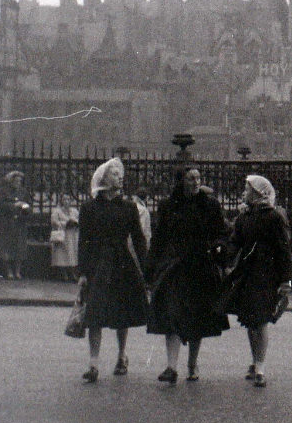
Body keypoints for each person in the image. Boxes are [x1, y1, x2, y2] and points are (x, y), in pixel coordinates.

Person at [146, 167, 231, 385]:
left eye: (198, 178)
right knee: (172, 315)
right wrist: (152, 268)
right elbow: (159, 238)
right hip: (175, 267)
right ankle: (171, 367)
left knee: (197, 318)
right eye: (191, 178)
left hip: (200, 267)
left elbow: (221, 233)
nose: (195, 182)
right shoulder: (168, 205)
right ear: (181, 181)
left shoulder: (209, 205)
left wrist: (219, 247)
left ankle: (192, 364)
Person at [77, 158, 149, 383]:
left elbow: (138, 240)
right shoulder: (89, 207)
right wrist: (82, 273)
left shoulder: (129, 207)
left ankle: (121, 355)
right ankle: (93, 363)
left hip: (121, 263)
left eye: (120, 174)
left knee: (121, 315)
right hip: (98, 264)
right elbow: (84, 241)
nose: (120, 177)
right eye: (115, 174)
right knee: (95, 316)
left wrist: (147, 269)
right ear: (104, 178)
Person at [221, 175, 292, 387]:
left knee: (260, 320)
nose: (244, 192)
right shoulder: (245, 217)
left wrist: (285, 280)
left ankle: (260, 367)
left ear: (258, 193)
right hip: (248, 273)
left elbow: (283, 250)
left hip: (266, 275)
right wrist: (226, 259)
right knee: (251, 321)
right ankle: (255, 362)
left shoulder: (273, 217)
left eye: (247, 189)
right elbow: (236, 242)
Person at [0, 171, 30, 280]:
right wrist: (14, 205)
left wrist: (25, 207)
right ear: (10, 181)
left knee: (19, 248)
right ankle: (8, 271)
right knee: (7, 247)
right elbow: (0, 205)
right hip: (6, 223)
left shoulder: (23, 192)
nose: (18, 183)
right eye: (16, 181)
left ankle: (17, 271)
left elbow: (28, 204)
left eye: (20, 181)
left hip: (19, 223)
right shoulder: (2, 191)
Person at [49, 193, 79, 281]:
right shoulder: (57, 211)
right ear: (61, 201)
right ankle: (64, 273)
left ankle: (73, 273)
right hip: (63, 234)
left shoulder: (74, 211)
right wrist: (65, 223)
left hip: (72, 235)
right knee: (62, 253)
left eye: (68, 199)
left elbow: (78, 219)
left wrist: (74, 223)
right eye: (64, 199)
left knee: (72, 253)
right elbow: (54, 222)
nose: (66, 201)